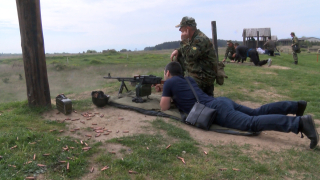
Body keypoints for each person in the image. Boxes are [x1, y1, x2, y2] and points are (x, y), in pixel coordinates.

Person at [158, 61, 319, 149]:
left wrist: (163, 90)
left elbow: (163, 107)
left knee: (251, 123)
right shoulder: (188, 79)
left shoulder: (169, 82)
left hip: (217, 110)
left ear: (167, 73)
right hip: (222, 101)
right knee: (256, 112)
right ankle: (294, 106)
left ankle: (298, 123)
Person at [170, 16, 217, 97]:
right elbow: (190, 48)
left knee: (180, 95)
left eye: (181, 27)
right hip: (198, 73)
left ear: (187, 28)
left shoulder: (200, 39)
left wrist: (183, 41)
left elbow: (190, 57)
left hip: (203, 77)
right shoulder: (194, 38)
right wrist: (179, 50)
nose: (180, 30)